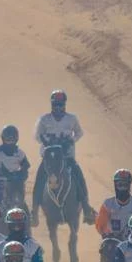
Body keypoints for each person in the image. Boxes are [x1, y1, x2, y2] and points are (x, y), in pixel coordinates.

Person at [31, 90, 96, 226]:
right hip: (49, 157)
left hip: (67, 157)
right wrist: (49, 140)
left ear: (65, 104)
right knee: (39, 179)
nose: (58, 108)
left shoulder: (72, 118)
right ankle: (34, 212)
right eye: (55, 105)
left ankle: (86, 209)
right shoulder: (44, 119)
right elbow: (37, 136)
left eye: (60, 105)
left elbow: (79, 132)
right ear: (52, 105)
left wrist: (70, 140)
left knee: (79, 177)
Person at [0, 125, 30, 208]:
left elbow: (25, 170)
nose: (10, 142)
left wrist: (19, 181)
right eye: (8, 139)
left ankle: (29, 217)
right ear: (3, 139)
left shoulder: (20, 154)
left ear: (16, 139)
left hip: (13, 187)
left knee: (23, 207)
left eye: (12, 139)